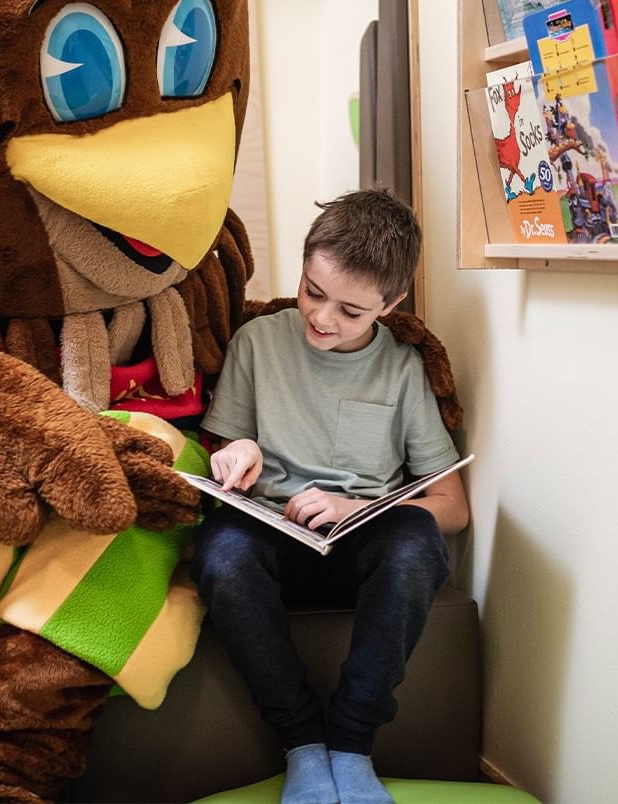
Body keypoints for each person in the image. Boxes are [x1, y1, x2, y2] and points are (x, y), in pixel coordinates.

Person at [190, 188, 469, 804]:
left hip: (359, 543)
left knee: (417, 543)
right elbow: (217, 449)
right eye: (314, 292)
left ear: (391, 304)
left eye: (351, 311)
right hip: (269, 539)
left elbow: (451, 506)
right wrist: (238, 454)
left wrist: (361, 509)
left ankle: (350, 744)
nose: (322, 318)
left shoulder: (402, 369)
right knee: (220, 553)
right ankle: (303, 746)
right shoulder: (258, 342)